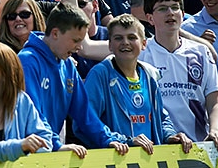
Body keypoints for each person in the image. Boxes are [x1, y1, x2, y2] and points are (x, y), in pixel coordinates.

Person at [18, 3, 129, 158]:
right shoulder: (27, 61)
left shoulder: (67, 64)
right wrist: (56, 145)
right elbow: (31, 114)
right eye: (76, 40)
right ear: (55, 33)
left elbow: (84, 113)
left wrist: (108, 140)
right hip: (24, 156)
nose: (79, 48)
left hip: (47, 153)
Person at [82, 14, 193, 154]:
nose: (125, 42)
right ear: (110, 45)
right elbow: (85, 120)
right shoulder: (100, 75)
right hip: (116, 159)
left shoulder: (150, 75)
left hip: (148, 160)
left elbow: (162, 119)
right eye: (118, 38)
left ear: (144, 44)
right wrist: (123, 141)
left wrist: (171, 136)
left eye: (132, 37)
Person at [139, 0, 218, 146]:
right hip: (155, 148)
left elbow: (214, 99)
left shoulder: (201, 52)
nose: (170, 13)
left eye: (175, 8)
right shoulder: (141, 53)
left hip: (198, 145)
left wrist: (215, 130)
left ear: (183, 14)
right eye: (162, 9)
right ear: (150, 18)